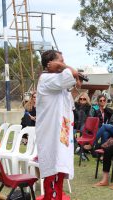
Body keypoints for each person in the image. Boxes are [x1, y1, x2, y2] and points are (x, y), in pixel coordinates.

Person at [36, 50, 80, 199]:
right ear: (50, 64)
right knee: (53, 174)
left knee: (59, 173)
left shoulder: (57, 82)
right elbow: (72, 73)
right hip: (52, 138)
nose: (62, 64)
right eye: (60, 61)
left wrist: (76, 85)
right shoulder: (46, 79)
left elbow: (69, 103)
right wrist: (64, 66)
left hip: (61, 136)